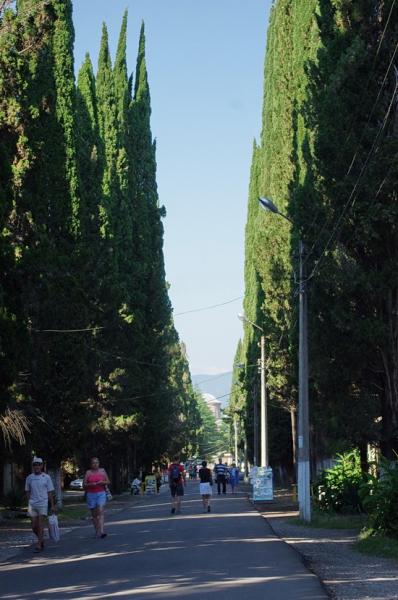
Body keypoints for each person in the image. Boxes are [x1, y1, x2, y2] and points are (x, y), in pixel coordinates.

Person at [25, 457, 56, 553]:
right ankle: (41, 538)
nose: (37, 466)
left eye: (39, 464)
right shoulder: (29, 478)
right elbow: (27, 491)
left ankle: (39, 545)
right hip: (33, 504)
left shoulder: (46, 477)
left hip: (43, 503)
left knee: (40, 524)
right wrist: (29, 501)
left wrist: (52, 505)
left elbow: (50, 492)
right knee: (34, 526)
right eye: (35, 464)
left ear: (42, 466)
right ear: (33, 466)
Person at [83, 457, 110, 539]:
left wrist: (102, 482)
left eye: (97, 462)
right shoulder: (88, 472)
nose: (95, 464)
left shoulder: (102, 471)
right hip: (91, 495)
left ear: (99, 463)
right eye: (93, 463)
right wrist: (91, 484)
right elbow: (84, 485)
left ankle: (101, 531)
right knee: (94, 515)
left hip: (101, 493)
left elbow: (108, 481)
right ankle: (97, 531)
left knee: (100, 511)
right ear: (91, 464)